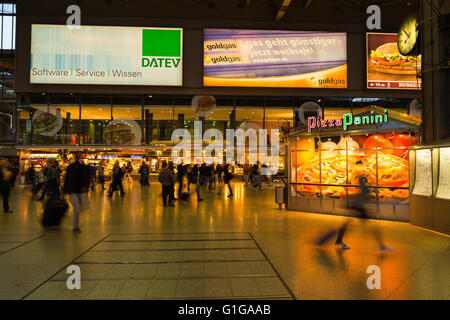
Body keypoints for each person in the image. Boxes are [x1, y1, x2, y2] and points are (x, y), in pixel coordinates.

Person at [315, 176, 388, 251]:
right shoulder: (364, 190)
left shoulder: (362, 191)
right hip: (359, 210)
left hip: (358, 209)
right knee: (371, 228)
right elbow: (363, 199)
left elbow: (358, 198)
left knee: (347, 226)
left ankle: (337, 241)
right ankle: (381, 245)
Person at [63, 153, 90, 233]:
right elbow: (67, 180)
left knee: (83, 207)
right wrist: (64, 192)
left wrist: (86, 186)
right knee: (77, 208)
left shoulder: (83, 167)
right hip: (73, 191)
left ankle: (71, 217)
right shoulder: (72, 167)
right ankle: (75, 227)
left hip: (79, 191)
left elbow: (87, 178)